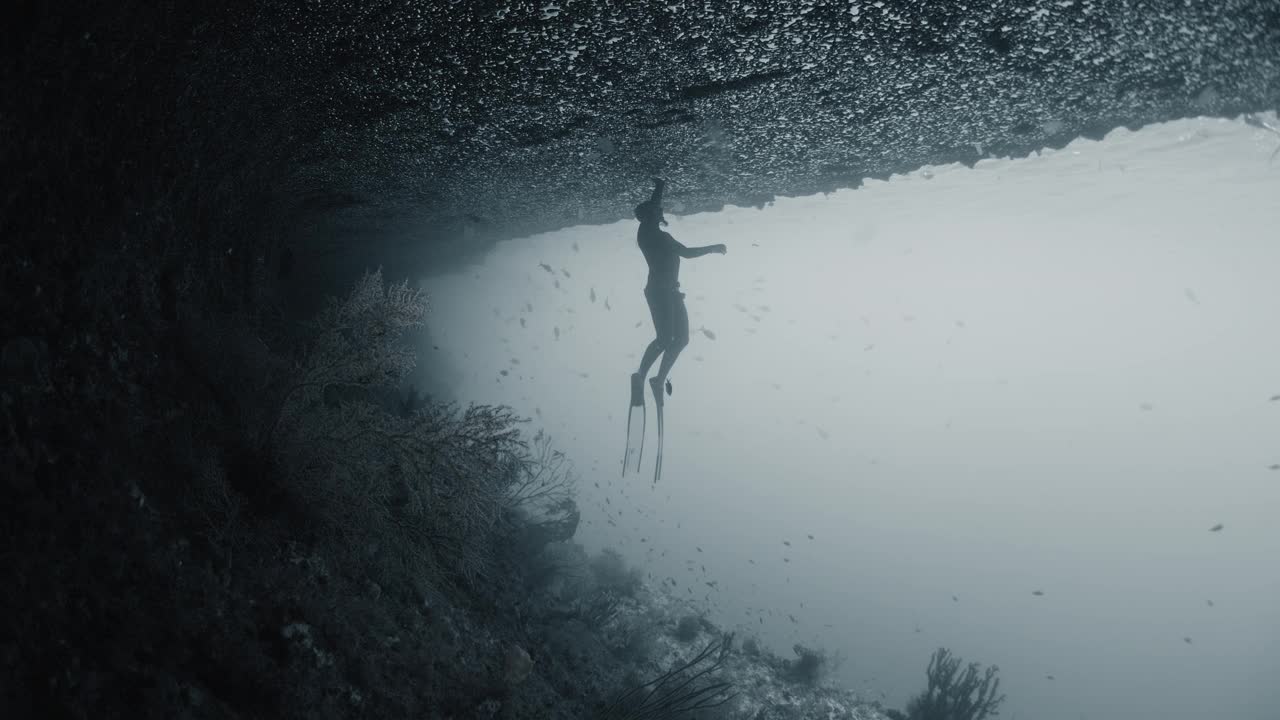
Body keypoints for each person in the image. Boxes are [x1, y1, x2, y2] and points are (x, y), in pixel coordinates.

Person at [631, 178, 726, 408]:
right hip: (658, 292)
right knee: (665, 339)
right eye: (657, 211)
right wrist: (713, 248)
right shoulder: (655, 236)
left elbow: (653, 207)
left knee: (682, 338)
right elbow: (687, 253)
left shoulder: (649, 229)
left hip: (671, 292)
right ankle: (640, 376)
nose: (661, 211)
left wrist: (659, 187)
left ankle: (657, 380)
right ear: (650, 216)